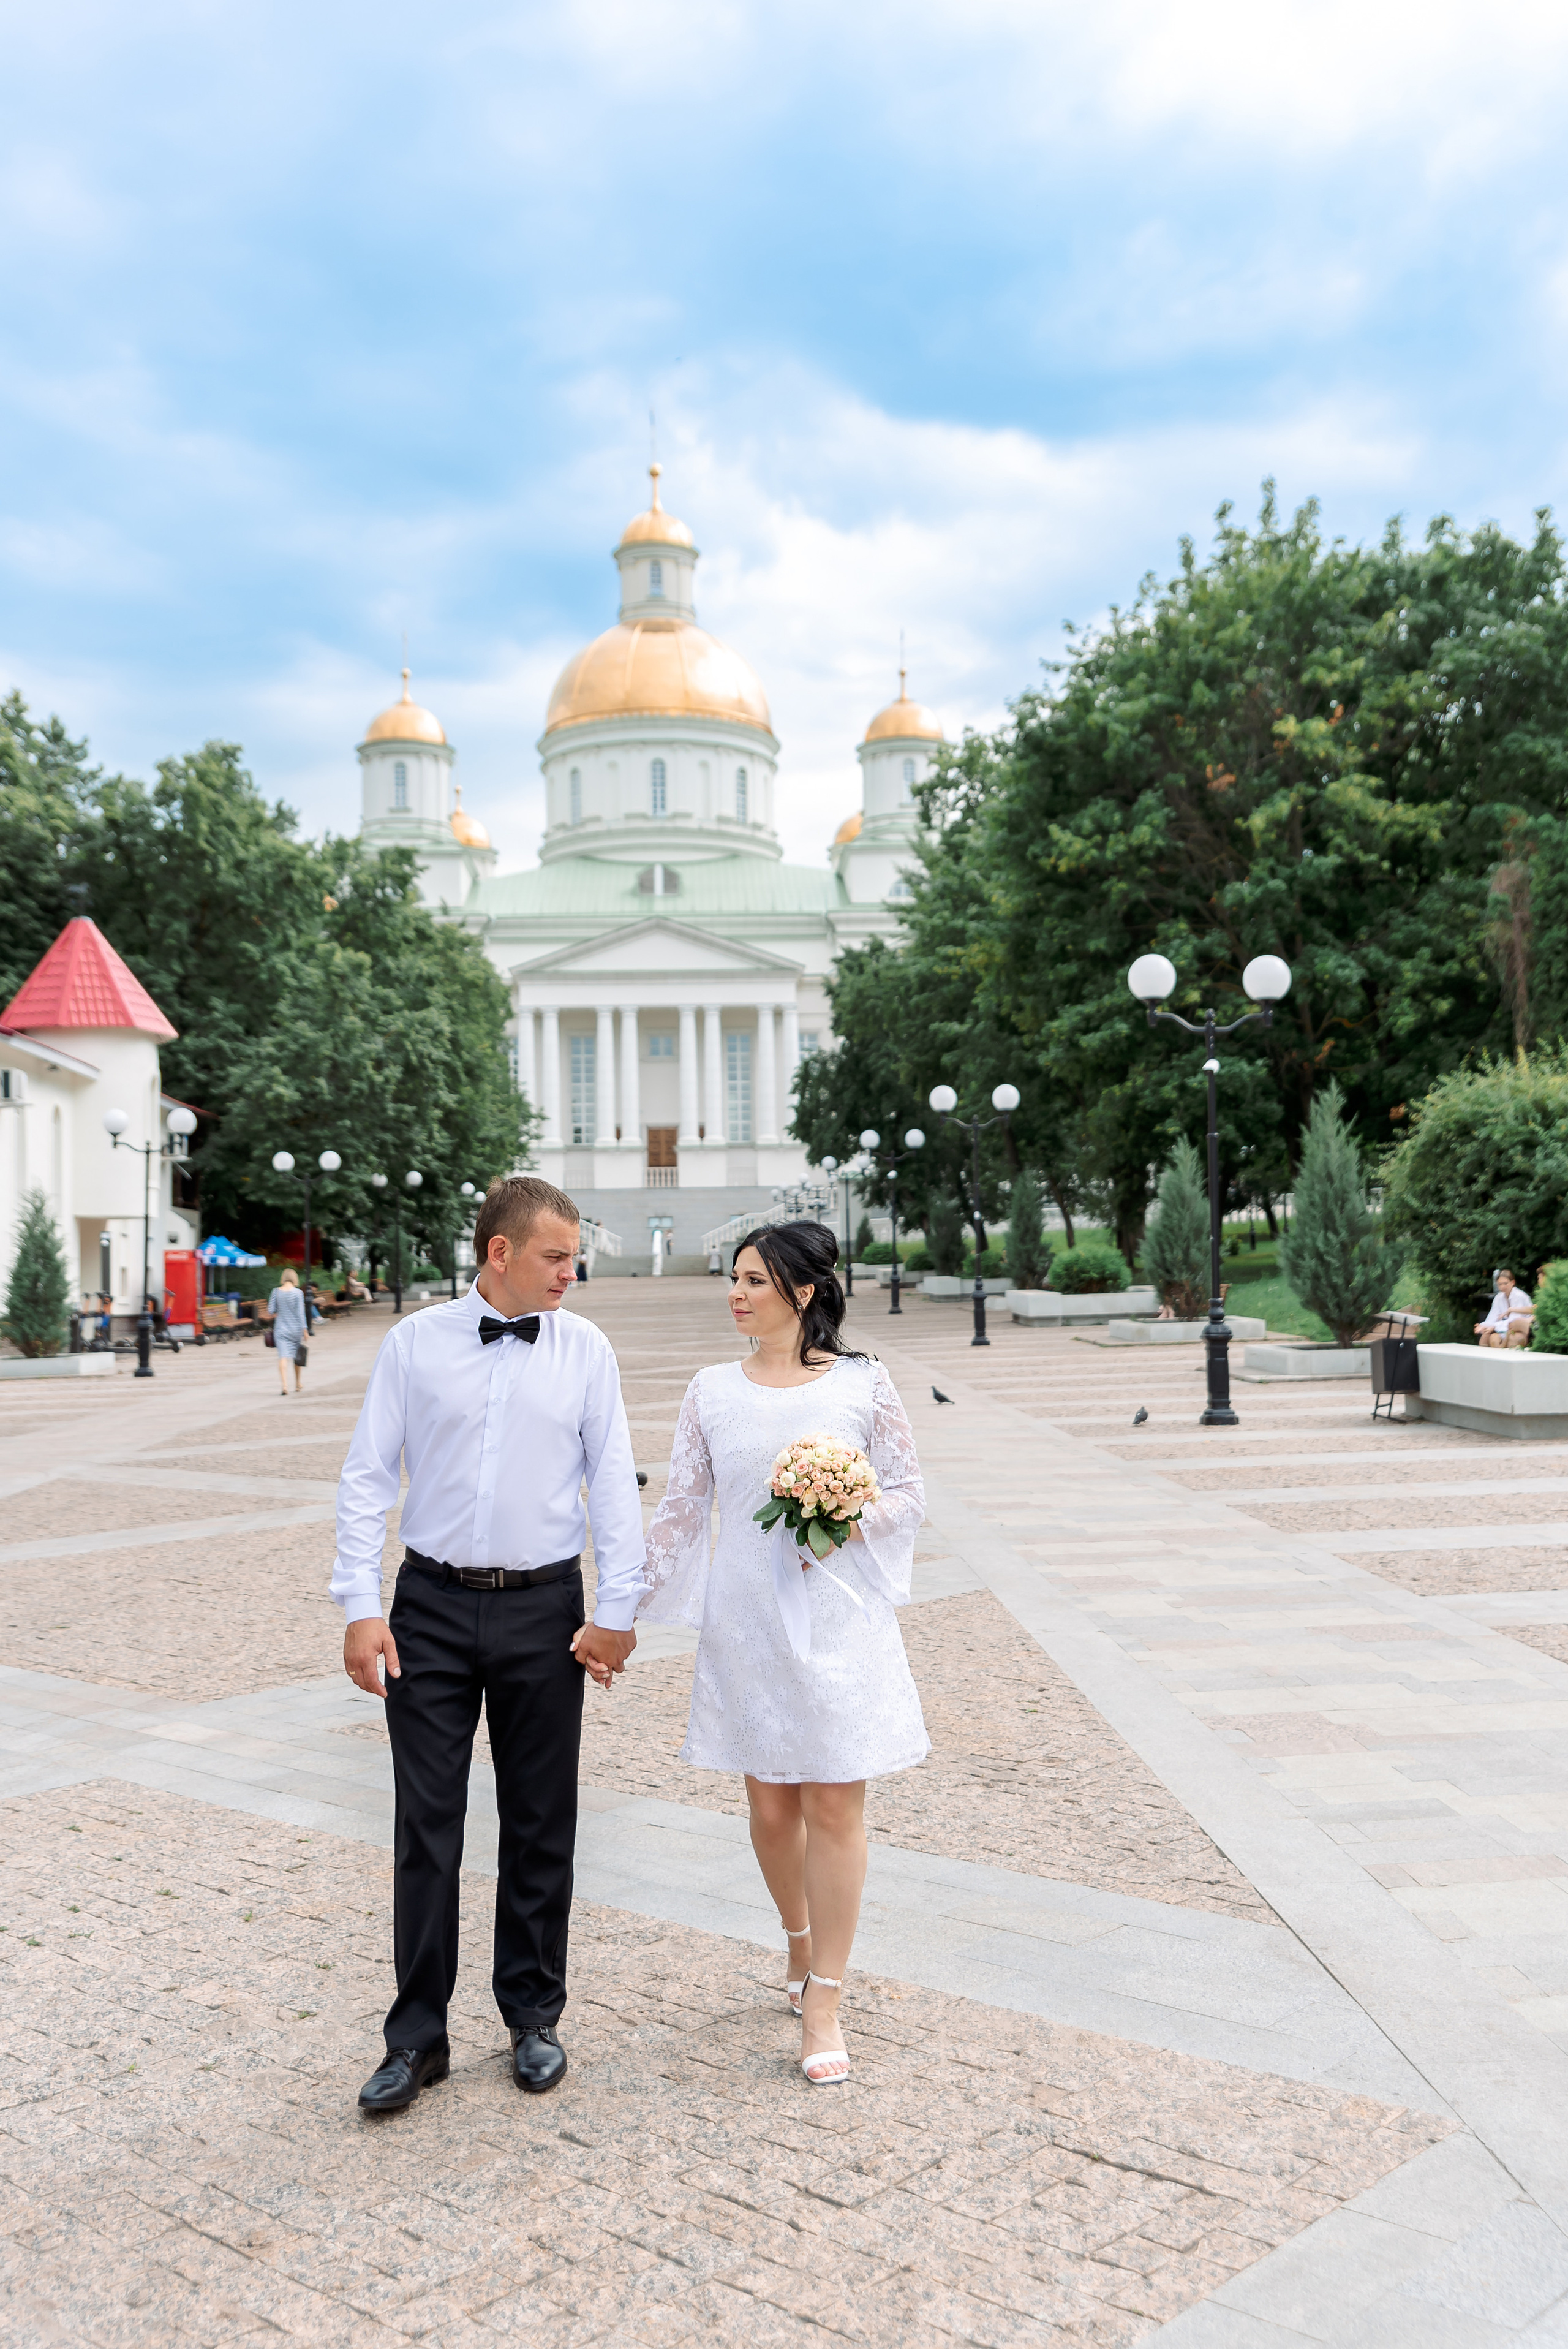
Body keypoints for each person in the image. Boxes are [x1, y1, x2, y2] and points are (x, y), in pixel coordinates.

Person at [334, 1174, 644, 2114]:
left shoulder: (586, 1349)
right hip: (427, 1606)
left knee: (541, 1820)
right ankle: (416, 2037)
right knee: (425, 1826)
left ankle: (533, 2015)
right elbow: (366, 1475)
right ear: (499, 1252)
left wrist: (618, 1608)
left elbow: (613, 1483)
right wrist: (360, 1603)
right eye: (556, 1255)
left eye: (574, 1256)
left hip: (546, 1610)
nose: (570, 1272)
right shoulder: (413, 1343)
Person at [630, 1220, 928, 2086]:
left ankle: (826, 1995)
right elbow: (683, 1508)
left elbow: (908, 1494)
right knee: (769, 1808)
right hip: (749, 1617)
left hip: (840, 1617)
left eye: (754, 1280)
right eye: (734, 1278)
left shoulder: (864, 1383)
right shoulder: (710, 1390)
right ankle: (797, 1937)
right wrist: (623, 1608)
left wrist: (842, 1516)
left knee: (833, 1802)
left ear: (802, 1291)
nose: (737, 1293)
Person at [265, 1267, 307, 1393]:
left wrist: (279, 1312)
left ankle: (285, 1386)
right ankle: (298, 1384)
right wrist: (305, 1330)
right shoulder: (298, 1293)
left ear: (283, 1278)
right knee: (297, 1356)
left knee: (283, 1356)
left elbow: (271, 1311)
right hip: (295, 1329)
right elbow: (301, 1314)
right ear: (295, 1278)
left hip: (281, 1329)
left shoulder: (276, 1292)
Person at [1476, 1269, 1531, 1348]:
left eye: (1505, 1284)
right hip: (1504, 1328)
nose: (1502, 1287)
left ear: (1513, 1283)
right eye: (1500, 1284)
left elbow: (1514, 1321)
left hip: (1520, 1329)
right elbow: (1493, 1317)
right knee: (1491, 1338)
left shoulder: (1519, 1296)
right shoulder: (1499, 1297)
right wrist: (1483, 1326)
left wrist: (1494, 1327)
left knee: (1513, 1339)